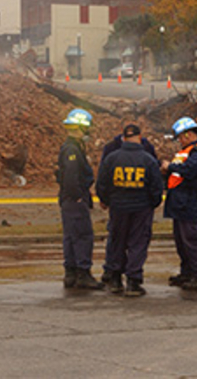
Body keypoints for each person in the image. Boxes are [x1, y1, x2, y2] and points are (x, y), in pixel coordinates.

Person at [96, 124, 163, 297]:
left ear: (123, 138)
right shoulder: (148, 159)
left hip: (118, 207)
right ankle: (133, 282)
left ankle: (116, 279)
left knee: (117, 241)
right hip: (141, 208)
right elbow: (157, 186)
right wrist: (152, 203)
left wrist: (107, 200)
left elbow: (102, 183)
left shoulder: (112, 158)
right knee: (137, 243)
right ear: (140, 138)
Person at [160, 116, 197, 291]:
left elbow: (190, 171)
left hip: (191, 203)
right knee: (182, 242)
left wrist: (170, 167)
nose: (179, 142)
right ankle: (187, 273)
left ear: (188, 134)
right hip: (181, 204)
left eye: (181, 138)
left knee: (192, 241)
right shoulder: (188, 151)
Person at [56, 108, 103, 290]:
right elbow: (71, 177)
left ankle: (71, 273)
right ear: (81, 128)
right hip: (74, 200)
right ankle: (83, 273)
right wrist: (77, 197)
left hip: (69, 199)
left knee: (71, 236)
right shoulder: (72, 150)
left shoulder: (71, 147)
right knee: (82, 236)